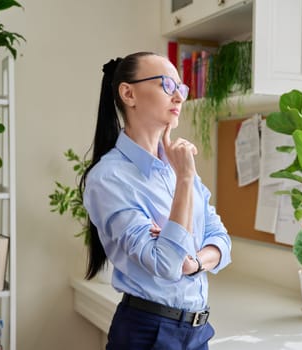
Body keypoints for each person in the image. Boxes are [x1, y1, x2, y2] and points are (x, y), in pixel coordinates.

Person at [80, 51, 232, 350]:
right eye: (167, 85)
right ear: (128, 93)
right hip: (148, 332)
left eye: (181, 88)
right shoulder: (108, 179)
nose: (178, 97)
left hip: (198, 331)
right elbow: (164, 263)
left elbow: (222, 240)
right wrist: (186, 180)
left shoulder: (176, 164)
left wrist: (194, 263)